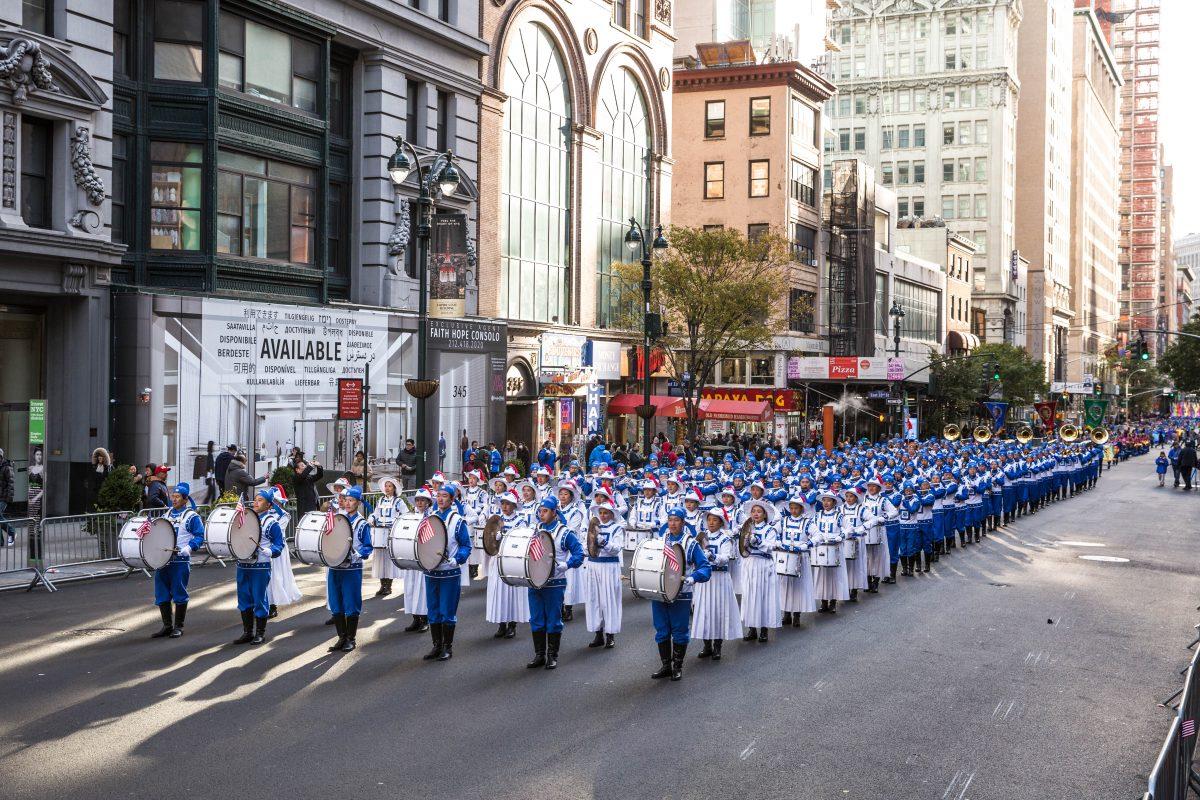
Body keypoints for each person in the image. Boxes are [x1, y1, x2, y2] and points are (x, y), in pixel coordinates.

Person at [649, 507, 711, 681]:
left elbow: (705, 568)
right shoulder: (661, 540)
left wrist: (692, 578)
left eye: (676, 520)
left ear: (683, 523)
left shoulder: (691, 543)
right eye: (670, 520)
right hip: (660, 591)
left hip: (681, 593)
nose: (673, 523)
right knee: (661, 630)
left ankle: (677, 666)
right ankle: (666, 666)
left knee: (679, 630)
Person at [525, 496, 584, 670]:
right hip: (535, 581)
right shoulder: (535, 529)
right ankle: (539, 655)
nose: (541, 514)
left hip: (555, 582)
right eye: (540, 511)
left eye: (545, 511)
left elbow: (579, 554)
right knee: (536, 618)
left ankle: (552, 655)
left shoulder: (564, 532)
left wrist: (567, 565)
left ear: (554, 512)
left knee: (553, 619)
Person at [422, 484, 472, 662]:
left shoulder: (457, 520)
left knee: (447, 610)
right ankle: (436, 645)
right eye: (439, 495)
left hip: (449, 573)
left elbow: (466, 545)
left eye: (445, 496)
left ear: (452, 499)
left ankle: (447, 647)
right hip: (431, 572)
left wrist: (457, 559)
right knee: (433, 610)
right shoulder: (430, 518)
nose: (441, 499)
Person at [151, 482, 205, 639]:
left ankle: (178, 626)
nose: (174, 500)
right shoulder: (166, 514)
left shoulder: (192, 516)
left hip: (180, 560)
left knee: (179, 592)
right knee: (161, 593)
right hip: (163, 560)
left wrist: (189, 548)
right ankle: (167, 626)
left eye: (177, 497)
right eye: (173, 496)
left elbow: (199, 535)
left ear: (185, 499)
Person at [234, 488, 286, 645]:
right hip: (243, 563)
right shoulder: (245, 518)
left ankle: (260, 633)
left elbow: (279, 543)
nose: (256, 502)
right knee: (244, 598)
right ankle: (247, 632)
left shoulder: (271, 523)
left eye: (260, 500)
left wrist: (271, 551)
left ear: (269, 505)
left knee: (259, 598)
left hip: (260, 564)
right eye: (255, 499)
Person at [325, 486, 373, 653]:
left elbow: (368, 547)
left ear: (358, 503)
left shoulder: (362, 524)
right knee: (336, 602)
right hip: (335, 566)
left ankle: (351, 639)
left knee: (351, 603)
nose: (347, 503)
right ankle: (341, 637)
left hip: (352, 568)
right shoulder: (338, 519)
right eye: (345, 500)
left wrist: (357, 555)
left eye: (351, 500)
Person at [692, 507, 741, 660]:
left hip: (719, 578)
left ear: (721, 522)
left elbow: (726, 557)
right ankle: (706, 645)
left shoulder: (725, 538)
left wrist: (712, 556)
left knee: (719, 611)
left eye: (715, 520)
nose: (711, 522)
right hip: (704, 578)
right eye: (709, 519)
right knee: (704, 611)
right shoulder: (700, 538)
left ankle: (717, 646)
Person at [485, 489, 530, 639]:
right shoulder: (495, 520)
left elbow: (522, 540)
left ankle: (512, 624)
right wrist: (494, 537)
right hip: (498, 558)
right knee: (498, 592)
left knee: (513, 592)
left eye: (508, 504)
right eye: (503, 503)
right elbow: (488, 541)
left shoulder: (521, 521)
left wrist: (506, 537)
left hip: (512, 559)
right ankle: (501, 623)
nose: (504, 506)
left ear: (514, 506)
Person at [584, 499, 624, 650]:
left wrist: (602, 541)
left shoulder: (617, 528)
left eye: (606, 513)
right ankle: (598, 633)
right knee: (594, 600)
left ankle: (610, 635)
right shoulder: (593, 527)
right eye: (600, 513)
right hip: (593, 565)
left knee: (609, 600)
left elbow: (617, 549)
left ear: (612, 514)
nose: (603, 515)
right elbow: (586, 546)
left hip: (609, 567)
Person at [738, 498, 780, 643]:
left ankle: (764, 629)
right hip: (749, 563)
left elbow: (772, 546)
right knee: (750, 596)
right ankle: (751, 628)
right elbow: (742, 548)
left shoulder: (770, 530)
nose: (756, 514)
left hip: (763, 564)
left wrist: (759, 542)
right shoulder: (747, 529)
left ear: (764, 515)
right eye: (754, 511)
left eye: (759, 511)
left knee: (763, 596)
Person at [263, 485, 301, 619]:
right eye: (273, 501)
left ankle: (273, 606)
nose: (274, 503)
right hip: (263, 550)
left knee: (275, 577)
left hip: (277, 550)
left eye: (276, 501)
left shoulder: (284, 515)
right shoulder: (264, 514)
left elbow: (277, 530)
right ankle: (264, 604)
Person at [0, 449, 14, 545]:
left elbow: (11, 484)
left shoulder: (7, 467)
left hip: (3, 497)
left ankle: (12, 532)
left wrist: (8, 498)